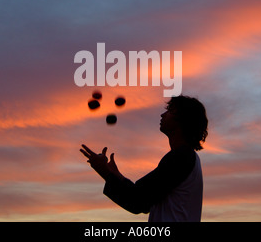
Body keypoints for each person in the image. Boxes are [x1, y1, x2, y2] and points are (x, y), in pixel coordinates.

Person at [80, 95, 208, 222]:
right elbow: (144, 195)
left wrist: (104, 172)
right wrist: (116, 175)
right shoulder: (186, 157)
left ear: (182, 118)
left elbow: (138, 201)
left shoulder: (181, 157)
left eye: (170, 110)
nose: (163, 115)